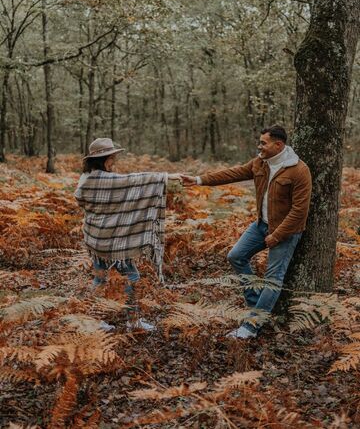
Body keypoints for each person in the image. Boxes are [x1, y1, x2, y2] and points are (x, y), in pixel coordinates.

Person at [181, 125, 312, 339]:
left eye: (263, 143)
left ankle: (251, 326)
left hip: (286, 231)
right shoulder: (260, 162)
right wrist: (198, 180)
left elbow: (300, 211)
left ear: (278, 145)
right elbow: (233, 174)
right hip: (261, 225)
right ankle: (257, 303)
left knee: (273, 278)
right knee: (236, 256)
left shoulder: (298, 170)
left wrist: (277, 235)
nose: (259, 146)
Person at [75, 137, 180, 331]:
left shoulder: (86, 180)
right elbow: (135, 180)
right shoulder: (110, 180)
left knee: (100, 279)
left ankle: (91, 321)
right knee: (132, 277)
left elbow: (80, 201)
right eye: (112, 157)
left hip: (95, 240)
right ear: (104, 159)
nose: (114, 161)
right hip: (115, 244)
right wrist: (166, 177)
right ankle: (133, 321)